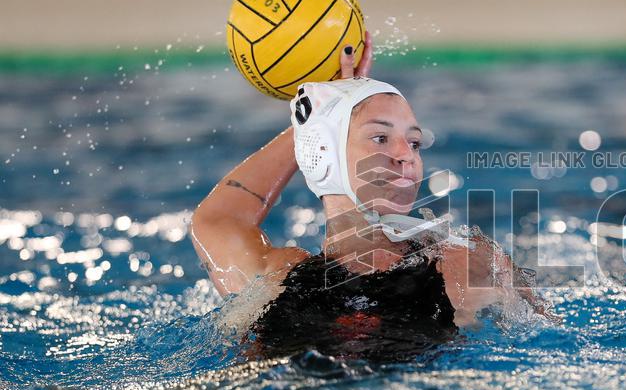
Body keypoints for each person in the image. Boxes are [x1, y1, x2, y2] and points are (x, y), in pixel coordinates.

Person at [191, 33, 551, 358]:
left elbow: (547, 343)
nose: (405, 154)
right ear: (323, 151)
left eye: (414, 142)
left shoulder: (462, 264)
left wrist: (328, 110)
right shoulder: (277, 276)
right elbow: (216, 221)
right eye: (381, 137)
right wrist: (317, 113)